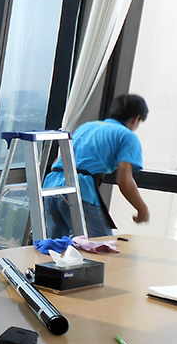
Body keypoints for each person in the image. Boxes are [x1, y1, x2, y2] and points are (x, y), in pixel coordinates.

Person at [42, 94, 151, 239]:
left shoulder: (86, 127)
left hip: (51, 186)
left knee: (56, 248)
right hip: (80, 190)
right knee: (102, 246)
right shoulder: (126, 136)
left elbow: (60, 159)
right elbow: (124, 181)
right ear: (136, 118)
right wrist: (142, 209)